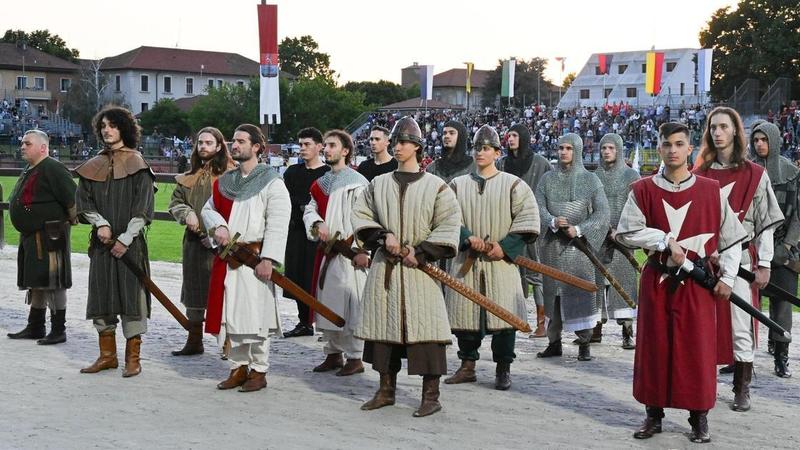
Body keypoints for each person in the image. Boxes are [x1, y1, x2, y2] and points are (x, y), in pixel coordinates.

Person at [616, 122, 747, 443]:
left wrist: (728, 278)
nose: (672, 150)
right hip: (658, 282)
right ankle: (653, 414)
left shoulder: (709, 190)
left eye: (679, 144)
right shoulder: (643, 190)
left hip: (698, 285)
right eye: (667, 144)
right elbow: (627, 231)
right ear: (659, 149)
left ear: (690, 149)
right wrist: (663, 240)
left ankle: (698, 418)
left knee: (697, 349)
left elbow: (731, 240)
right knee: (654, 347)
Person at [352, 116, 460, 417]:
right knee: (383, 331)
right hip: (385, 268)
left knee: (427, 331)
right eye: (395, 142)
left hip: (420, 272)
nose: (397, 147)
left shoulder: (437, 187)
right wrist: (384, 236)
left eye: (403, 142)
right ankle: (386, 390)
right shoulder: (378, 184)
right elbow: (361, 214)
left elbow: (449, 224)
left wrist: (421, 251)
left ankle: (431, 396)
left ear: (416, 147)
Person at [693, 107, 783, 412]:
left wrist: (765, 264)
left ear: (735, 132)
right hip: (706, 261)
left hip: (742, 259)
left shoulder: (755, 175)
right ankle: (701, 383)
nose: (717, 132)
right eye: (713, 127)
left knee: (740, 323)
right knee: (702, 323)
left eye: (723, 127)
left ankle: (742, 386)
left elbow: (764, 223)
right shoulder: (700, 174)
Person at [444, 125, 539, 391]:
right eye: (476, 148)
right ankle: (467, 365)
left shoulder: (514, 185)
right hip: (467, 261)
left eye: (486, 148)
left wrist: (506, 246)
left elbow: (527, 219)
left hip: (501, 263)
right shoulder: (457, 185)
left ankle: (503, 368)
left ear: (497, 152)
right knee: (466, 315)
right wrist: (466, 236)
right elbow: (446, 216)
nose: (480, 153)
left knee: (504, 317)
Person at [202, 124, 290, 392]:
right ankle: (238, 367)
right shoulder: (226, 182)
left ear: (257, 147)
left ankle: (259, 371)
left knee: (255, 316)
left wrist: (269, 259)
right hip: (229, 260)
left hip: (254, 259)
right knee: (232, 314)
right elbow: (209, 209)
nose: (235, 145)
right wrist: (217, 225)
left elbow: (278, 222)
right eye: (234, 140)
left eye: (241, 141)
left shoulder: (272, 182)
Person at [75, 106, 155, 378]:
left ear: (124, 129)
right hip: (102, 246)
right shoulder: (93, 164)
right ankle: (107, 356)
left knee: (132, 301)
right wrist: (101, 223)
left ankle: (133, 359)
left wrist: (125, 238)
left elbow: (144, 208)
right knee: (102, 296)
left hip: (130, 245)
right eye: (103, 126)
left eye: (113, 125)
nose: (107, 130)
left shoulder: (138, 164)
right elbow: (83, 202)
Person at [535, 133, 609, 362]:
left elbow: (602, 214)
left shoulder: (591, 181)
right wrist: (552, 221)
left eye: (568, 148)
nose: (563, 152)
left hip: (579, 250)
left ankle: (584, 343)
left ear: (576, 151)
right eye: (560, 148)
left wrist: (578, 229)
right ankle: (553, 342)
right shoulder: (547, 179)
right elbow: (538, 207)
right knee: (553, 297)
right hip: (552, 248)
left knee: (579, 294)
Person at [303, 129, 369, 376]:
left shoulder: (358, 183)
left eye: (332, 145)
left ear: (345, 151)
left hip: (350, 254)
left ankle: (355, 356)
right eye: (326, 145)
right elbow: (309, 209)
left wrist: (362, 250)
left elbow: (366, 219)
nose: (327, 149)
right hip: (328, 255)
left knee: (351, 305)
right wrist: (317, 223)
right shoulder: (320, 184)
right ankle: (332, 354)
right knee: (326, 303)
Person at [168, 126, 234, 356]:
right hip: (194, 245)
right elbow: (175, 202)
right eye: (200, 143)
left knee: (224, 293)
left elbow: (238, 211)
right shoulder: (189, 176)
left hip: (224, 248)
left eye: (208, 143)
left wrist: (217, 236)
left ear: (218, 146)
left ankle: (228, 343)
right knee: (195, 293)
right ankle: (194, 340)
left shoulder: (231, 176)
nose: (203, 147)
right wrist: (186, 213)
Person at [7, 129, 77, 345]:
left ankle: (58, 330)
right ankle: (35, 327)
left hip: (50, 236)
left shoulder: (53, 168)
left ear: (43, 147)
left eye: (27, 143)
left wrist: (67, 222)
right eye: (22, 143)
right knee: (37, 282)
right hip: (32, 236)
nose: (22, 147)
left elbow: (73, 200)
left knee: (54, 283)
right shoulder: (31, 169)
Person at [750, 120, 799, 378]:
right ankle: (740, 359)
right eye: (756, 140)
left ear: (774, 141)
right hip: (750, 247)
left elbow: (798, 215)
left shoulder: (791, 172)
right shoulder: (745, 170)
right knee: (744, 306)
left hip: (784, 249)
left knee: (782, 306)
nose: (759, 144)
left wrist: (788, 245)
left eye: (764, 140)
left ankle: (781, 356)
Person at [498, 123, 551, 338]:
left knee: (535, 274)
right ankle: (516, 318)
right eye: (508, 135)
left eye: (514, 135)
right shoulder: (502, 163)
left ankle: (541, 323)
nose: (510, 139)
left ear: (523, 137)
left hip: (533, 226)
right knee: (512, 273)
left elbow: (549, 193)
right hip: (509, 227)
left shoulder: (541, 163)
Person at [592, 133, 640, 349]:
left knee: (624, 284)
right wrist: (599, 227)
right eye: (603, 148)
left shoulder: (631, 176)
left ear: (619, 150)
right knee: (596, 284)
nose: (606, 152)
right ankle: (596, 328)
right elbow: (589, 207)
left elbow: (638, 208)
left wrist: (621, 230)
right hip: (599, 238)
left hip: (622, 238)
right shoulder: (594, 177)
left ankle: (627, 331)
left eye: (611, 148)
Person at [282, 128, 330, 337]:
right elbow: (287, 201)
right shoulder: (291, 173)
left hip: (319, 233)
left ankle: (325, 323)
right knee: (298, 276)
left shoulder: (328, 174)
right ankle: (304, 322)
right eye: (300, 144)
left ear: (320, 146)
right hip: (296, 232)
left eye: (307, 144)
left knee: (318, 277)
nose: (302, 148)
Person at [425, 119, 474, 183]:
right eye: (444, 133)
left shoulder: (474, 166)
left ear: (461, 136)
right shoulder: (432, 168)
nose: (446, 136)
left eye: (451, 133)